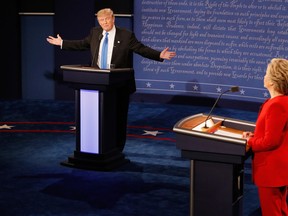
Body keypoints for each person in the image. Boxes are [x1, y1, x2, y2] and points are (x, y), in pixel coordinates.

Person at [46, 8, 176, 151]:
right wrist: (62, 43)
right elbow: (82, 44)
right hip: (97, 83)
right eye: (101, 20)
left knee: (118, 119)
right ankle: (99, 147)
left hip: (119, 85)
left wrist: (159, 55)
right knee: (99, 119)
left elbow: (141, 49)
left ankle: (117, 149)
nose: (105, 22)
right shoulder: (95, 33)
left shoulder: (126, 35)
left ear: (113, 19)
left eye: (107, 19)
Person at [243, 58, 288, 216]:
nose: (264, 77)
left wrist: (250, 141)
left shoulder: (276, 105)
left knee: (272, 212)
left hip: (272, 170)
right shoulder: (281, 102)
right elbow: (277, 133)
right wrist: (256, 136)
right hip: (280, 168)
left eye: (266, 74)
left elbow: (271, 141)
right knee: (280, 209)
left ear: (274, 81)